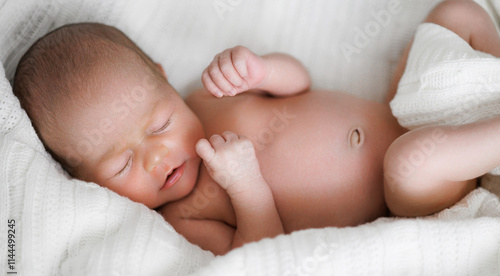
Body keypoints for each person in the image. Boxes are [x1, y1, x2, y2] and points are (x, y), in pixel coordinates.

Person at [13, 0, 500, 255]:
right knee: (413, 162)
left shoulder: (210, 94)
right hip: (410, 194)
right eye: (121, 164)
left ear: (163, 81)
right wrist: (246, 186)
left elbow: (301, 84)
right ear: (87, 185)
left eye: (159, 124)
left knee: (456, 13)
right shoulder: (184, 218)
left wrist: (264, 70)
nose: (157, 158)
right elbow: (259, 253)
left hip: (401, 108)